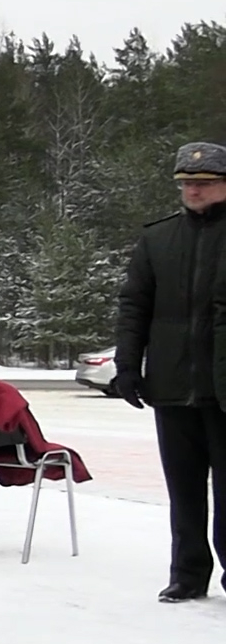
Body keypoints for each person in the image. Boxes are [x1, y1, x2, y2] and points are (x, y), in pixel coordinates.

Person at [116, 141, 226, 602]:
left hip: (222, 389)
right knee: (183, 489)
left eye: (202, 183)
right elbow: (134, 305)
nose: (193, 191)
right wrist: (128, 363)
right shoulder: (158, 239)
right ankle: (186, 572)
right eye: (186, 184)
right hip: (172, 384)